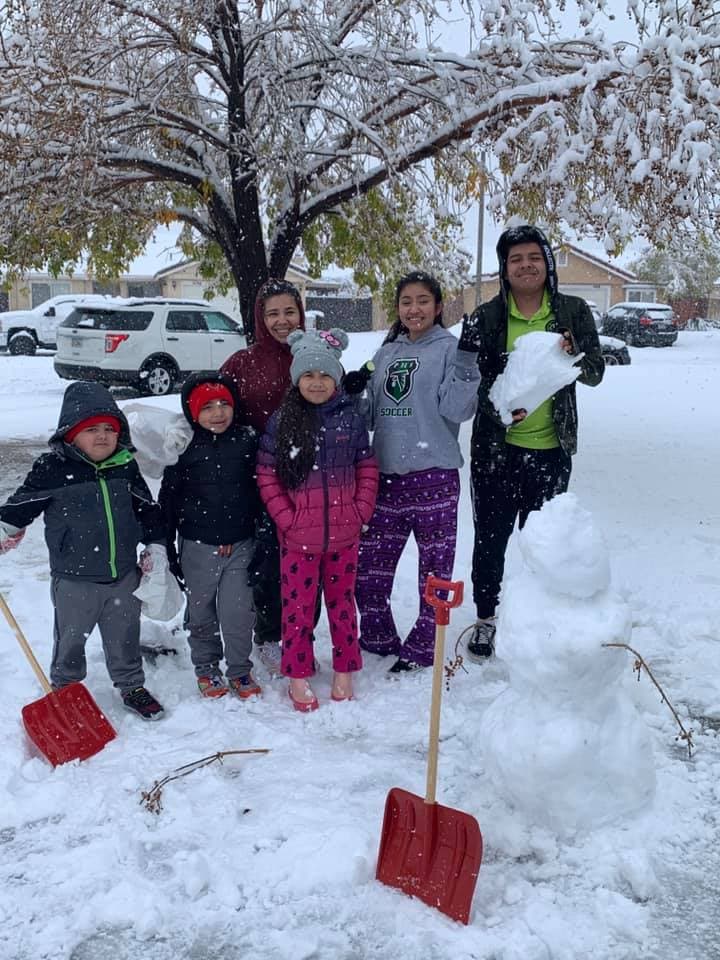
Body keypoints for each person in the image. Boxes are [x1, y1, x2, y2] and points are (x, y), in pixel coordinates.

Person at [463, 224, 604, 661]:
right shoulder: (484, 318)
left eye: (534, 257)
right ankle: (486, 618)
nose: (525, 265)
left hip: (551, 449)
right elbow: (470, 382)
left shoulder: (573, 311)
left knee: (546, 542)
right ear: (504, 269)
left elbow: (595, 370)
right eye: (515, 259)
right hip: (496, 453)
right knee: (490, 539)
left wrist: (573, 349)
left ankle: (541, 618)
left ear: (546, 264)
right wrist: (498, 406)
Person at [0, 382, 166, 719]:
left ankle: (131, 684)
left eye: (109, 428)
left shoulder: (124, 466)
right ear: (71, 435)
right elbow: (21, 506)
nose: (102, 436)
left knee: (124, 636)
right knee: (71, 640)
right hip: (74, 580)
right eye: (91, 429)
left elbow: (148, 510)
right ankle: (66, 688)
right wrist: (3, 528)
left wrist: (156, 545)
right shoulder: (53, 469)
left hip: (123, 575)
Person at [350, 271, 481, 673]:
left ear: (438, 307)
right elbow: (369, 416)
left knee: (435, 571)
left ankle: (425, 646)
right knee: (369, 571)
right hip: (385, 478)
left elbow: (457, 410)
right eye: (407, 302)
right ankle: (376, 638)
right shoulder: (387, 351)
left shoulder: (450, 349)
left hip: (434, 476)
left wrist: (467, 364)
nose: (414, 309)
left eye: (423, 301)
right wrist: (355, 390)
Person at [256, 329, 378, 711]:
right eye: (309, 375)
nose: (317, 382)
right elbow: (266, 474)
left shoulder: (351, 419)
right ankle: (298, 672)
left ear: (336, 377)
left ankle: (345, 668)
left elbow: (367, 466)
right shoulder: (282, 421)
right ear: (297, 379)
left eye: (325, 375)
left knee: (343, 606)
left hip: (344, 536)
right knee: (298, 610)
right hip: (298, 540)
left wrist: (360, 509)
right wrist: (286, 517)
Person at [220, 280, 306, 676]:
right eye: (273, 313)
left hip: (311, 480)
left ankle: (302, 630)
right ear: (260, 317)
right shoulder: (242, 362)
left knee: (309, 560)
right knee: (267, 560)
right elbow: (215, 410)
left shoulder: (315, 353)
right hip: (258, 482)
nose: (282, 320)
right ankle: (269, 634)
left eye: (289, 311)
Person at [159, 373, 261, 699]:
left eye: (224, 405)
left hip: (241, 543)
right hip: (197, 546)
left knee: (239, 611)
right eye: (207, 407)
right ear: (192, 413)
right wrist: (166, 547)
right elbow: (168, 500)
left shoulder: (247, 440)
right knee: (201, 611)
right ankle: (206, 667)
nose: (218, 413)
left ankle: (240, 670)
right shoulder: (183, 447)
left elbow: (261, 490)